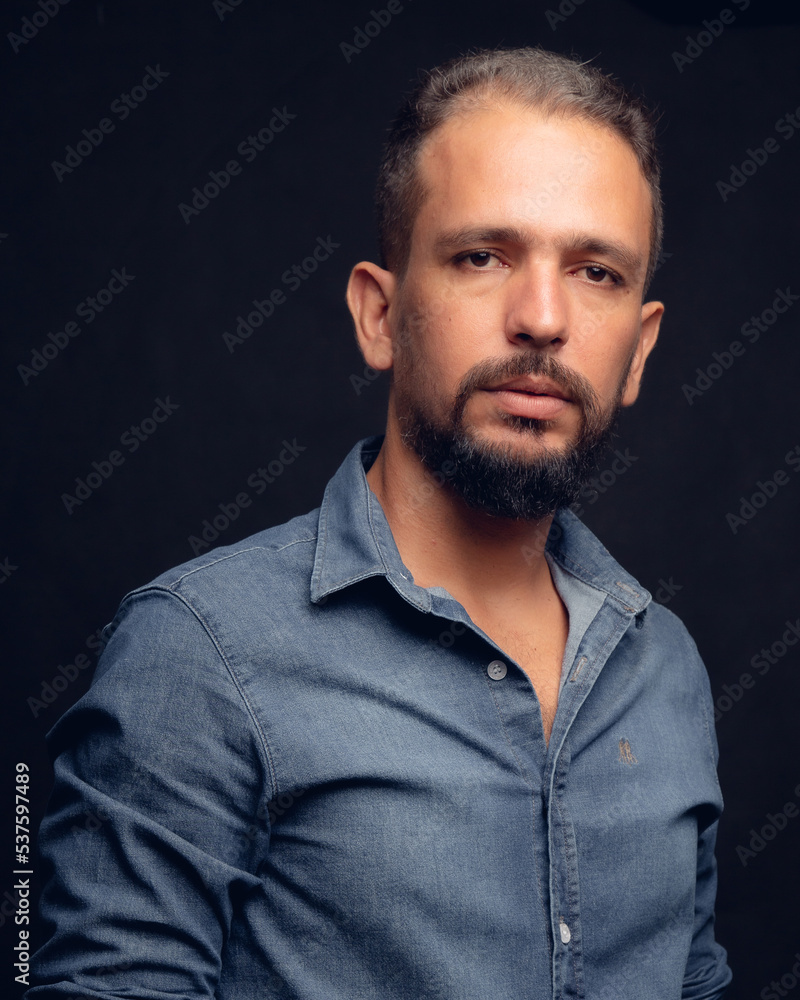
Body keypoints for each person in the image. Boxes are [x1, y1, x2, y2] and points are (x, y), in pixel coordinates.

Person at [28, 47, 732, 1000]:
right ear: (379, 314)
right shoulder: (198, 657)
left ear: (639, 351)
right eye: (482, 256)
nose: (542, 317)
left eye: (596, 271)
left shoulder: (665, 669)